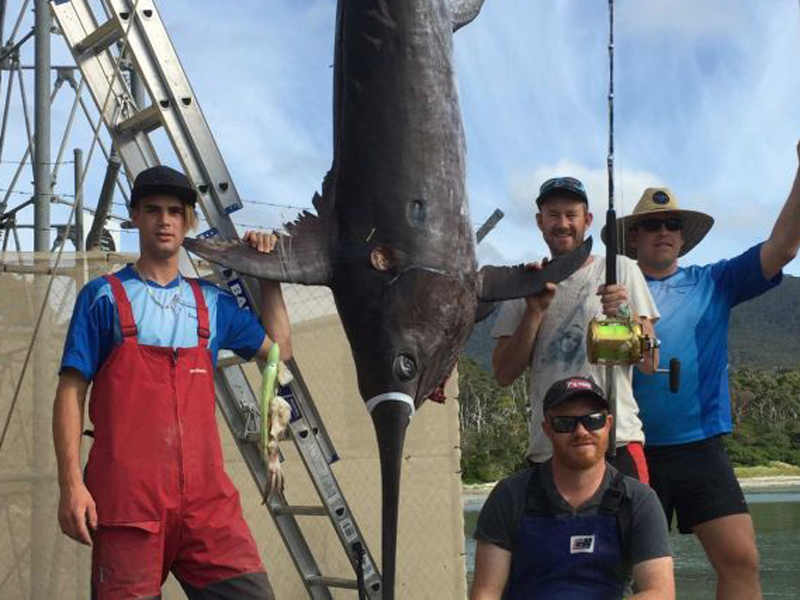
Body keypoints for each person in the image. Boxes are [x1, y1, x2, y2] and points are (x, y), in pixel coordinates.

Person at [53, 165, 290, 599]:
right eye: (153, 210)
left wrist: (267, 272)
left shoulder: (211, 303)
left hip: (207, 508)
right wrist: (71, 484)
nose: (165, 221)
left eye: (176, 212)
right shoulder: (102, 297)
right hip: (128, 507)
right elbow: (70, 392)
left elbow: (279, 349)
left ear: (188, 222)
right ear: (135, 218)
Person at [613, 151, 800, 600]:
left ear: (682, 239)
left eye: (672, 225)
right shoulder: (610, 293)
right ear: (633, 237)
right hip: (629, 449)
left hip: (700, 447)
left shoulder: (715, 281)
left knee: (741, 561)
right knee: (628, 576)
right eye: (653, 224)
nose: (664, 231)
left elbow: (784, 248)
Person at [491, 176, 659, 481]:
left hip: (616, 440)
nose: (563, 223)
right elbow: (503, 374)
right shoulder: (525, 282)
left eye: (572, 215)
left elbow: (650, 363)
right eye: (553, 215)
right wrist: (534, 311)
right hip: (550, 444)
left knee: (633, 528)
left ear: (588, 220)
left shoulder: (621, 269)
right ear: (539, 222)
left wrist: (626, 314)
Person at [470, 376, 674, 600]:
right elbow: (485, 592)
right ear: (547, 429)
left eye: (593, 420)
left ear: (608, 424)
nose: (581, 431)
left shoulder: (637, 500)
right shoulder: (510, 496)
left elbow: (660, 593)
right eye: (565, 423)